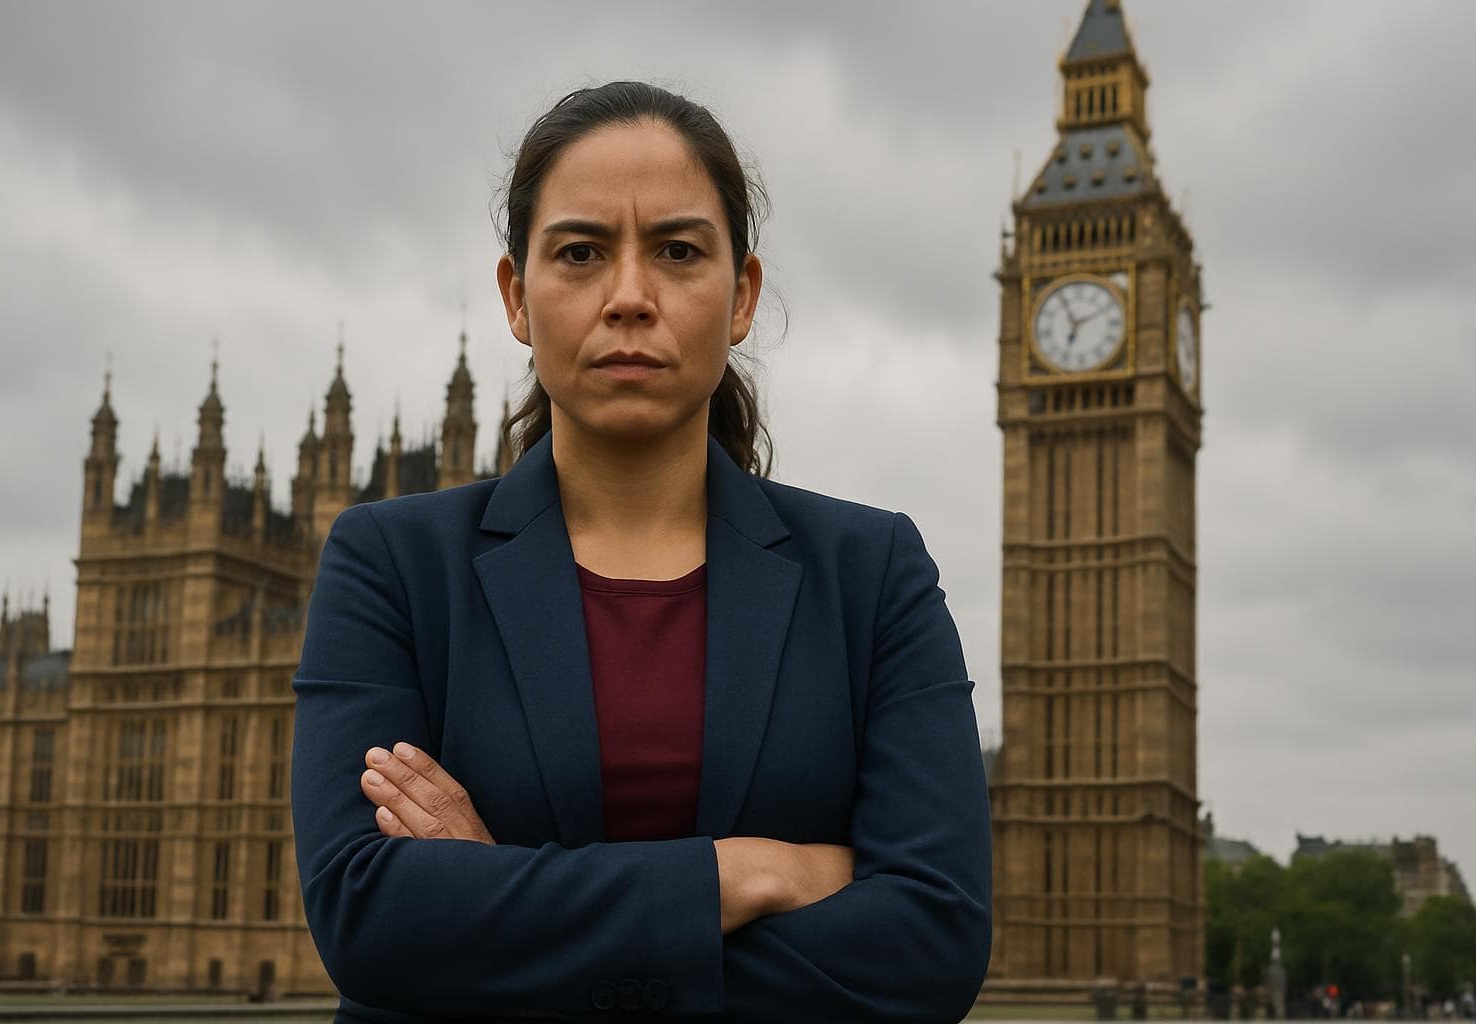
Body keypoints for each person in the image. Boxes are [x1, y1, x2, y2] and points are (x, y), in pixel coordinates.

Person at [290, 81, 991, 1024]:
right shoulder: (391, 565)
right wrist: (742, 875)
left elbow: (933, 947)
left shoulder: (872, 574)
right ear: (516, 296)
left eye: (677, 251)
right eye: (580, 253)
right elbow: (369, 920)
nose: (629, 296)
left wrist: (492, 910)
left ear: (741, 294)